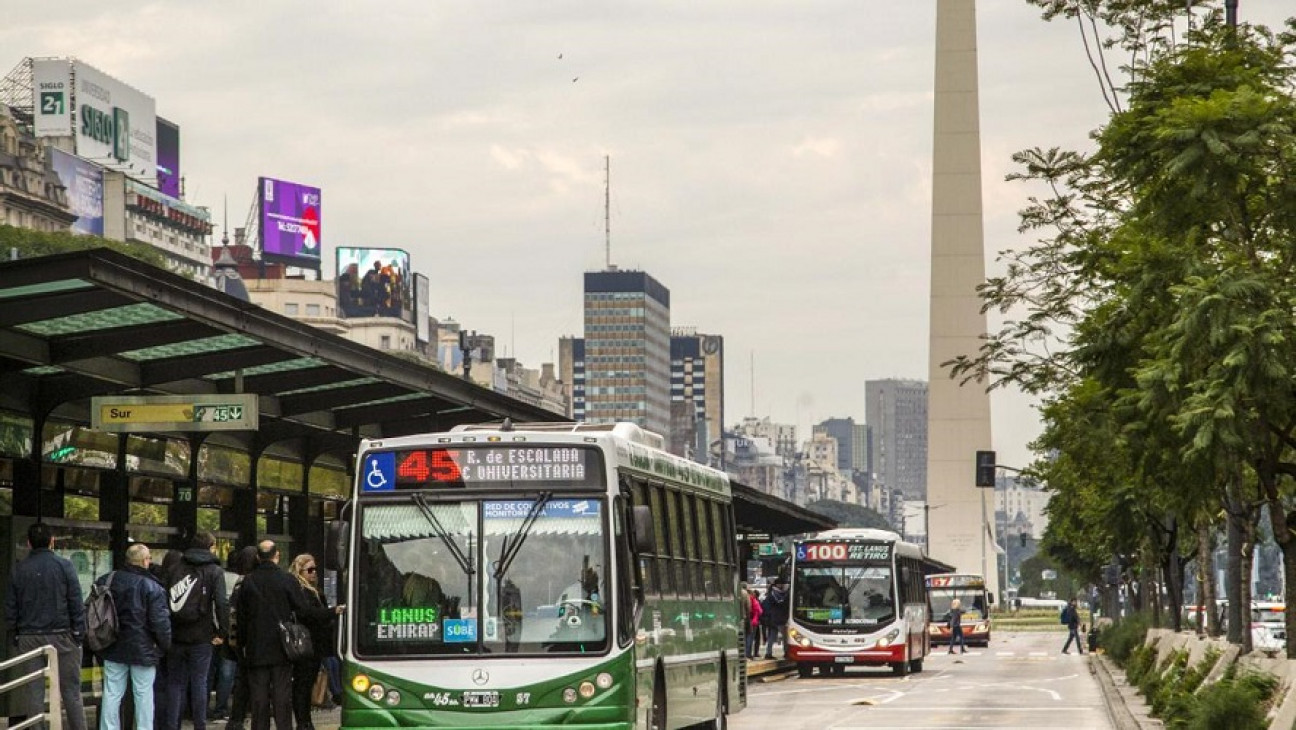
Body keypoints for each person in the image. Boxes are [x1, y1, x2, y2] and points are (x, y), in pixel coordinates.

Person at [237, 541, 340, 730]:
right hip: (281, 647)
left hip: (256, 647)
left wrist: (242, 644)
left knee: (259, 697)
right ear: (277, 556)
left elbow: (242, 617)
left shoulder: (249, 581)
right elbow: (303, 610)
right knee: (281, 695)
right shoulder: (286, 579)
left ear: (258, 557)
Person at [3, 522, 88, 730]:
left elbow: (10, 606)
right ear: (52, 542)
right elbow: (76, 602)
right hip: (63, 635)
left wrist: (14, 633)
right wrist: (78, 633)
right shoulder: (65, 566)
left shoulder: (19, 569)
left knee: (34, 691)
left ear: (29, 543)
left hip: (29, 636)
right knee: (71, 692)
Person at [96, 543, 172, 730]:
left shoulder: (107, 579)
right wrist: (165, 645)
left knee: (112, 693)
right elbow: (160, 622)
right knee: (144, 694)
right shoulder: (152, 586)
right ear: (145, 561)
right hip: (143, 648)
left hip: (111, 644)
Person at [163, 531, 230, 730]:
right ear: (210, 546)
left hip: (175, 634)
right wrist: (222, 632)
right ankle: (199, 725)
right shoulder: (214, 571)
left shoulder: (175, 568)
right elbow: (221, 603)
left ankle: (172, 725)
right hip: (201, 635)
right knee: (199, 682)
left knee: (175, 683)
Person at [213, 546, 259, 726]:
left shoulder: (234, 581)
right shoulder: (250, 583)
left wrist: (224, 634)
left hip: (234, 638)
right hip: (250, 639)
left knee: (232, 675)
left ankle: (226, 712)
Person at [287, 554, 333, 730]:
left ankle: (305, 720)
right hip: (306, 643)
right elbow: (309, 614)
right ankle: (303, 721)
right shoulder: (301, 591)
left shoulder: (314, 590)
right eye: (310, 570)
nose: (314, 573)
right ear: (300, 571)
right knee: (303, 684)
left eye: (315, 569)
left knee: (307, 682)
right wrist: (332, 612)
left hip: (315, 643)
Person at [761, 580, 790, 659]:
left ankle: (769, 653)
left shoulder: (772, 594)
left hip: (774, 619)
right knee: (784, 637)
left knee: (773, 637)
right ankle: (786, 652)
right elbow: (782, 604)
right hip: (780, 618)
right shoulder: (782, 595)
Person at [745, 587, 763, 659]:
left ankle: (747, 653)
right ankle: (748, 654)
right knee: (750, 638)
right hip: (754, 621)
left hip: (747, 620)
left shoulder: (747, 598)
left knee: (747, 638)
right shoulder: (754, 600)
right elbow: (759, 611)